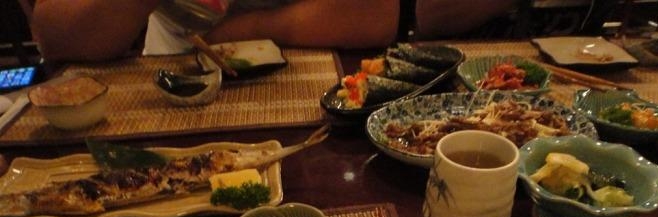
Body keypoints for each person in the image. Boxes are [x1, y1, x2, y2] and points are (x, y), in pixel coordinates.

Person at [31, 0, 400, 62]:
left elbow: (377, 15)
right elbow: (57, 37)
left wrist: (239, 31)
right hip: (170, 85)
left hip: (307, 88)